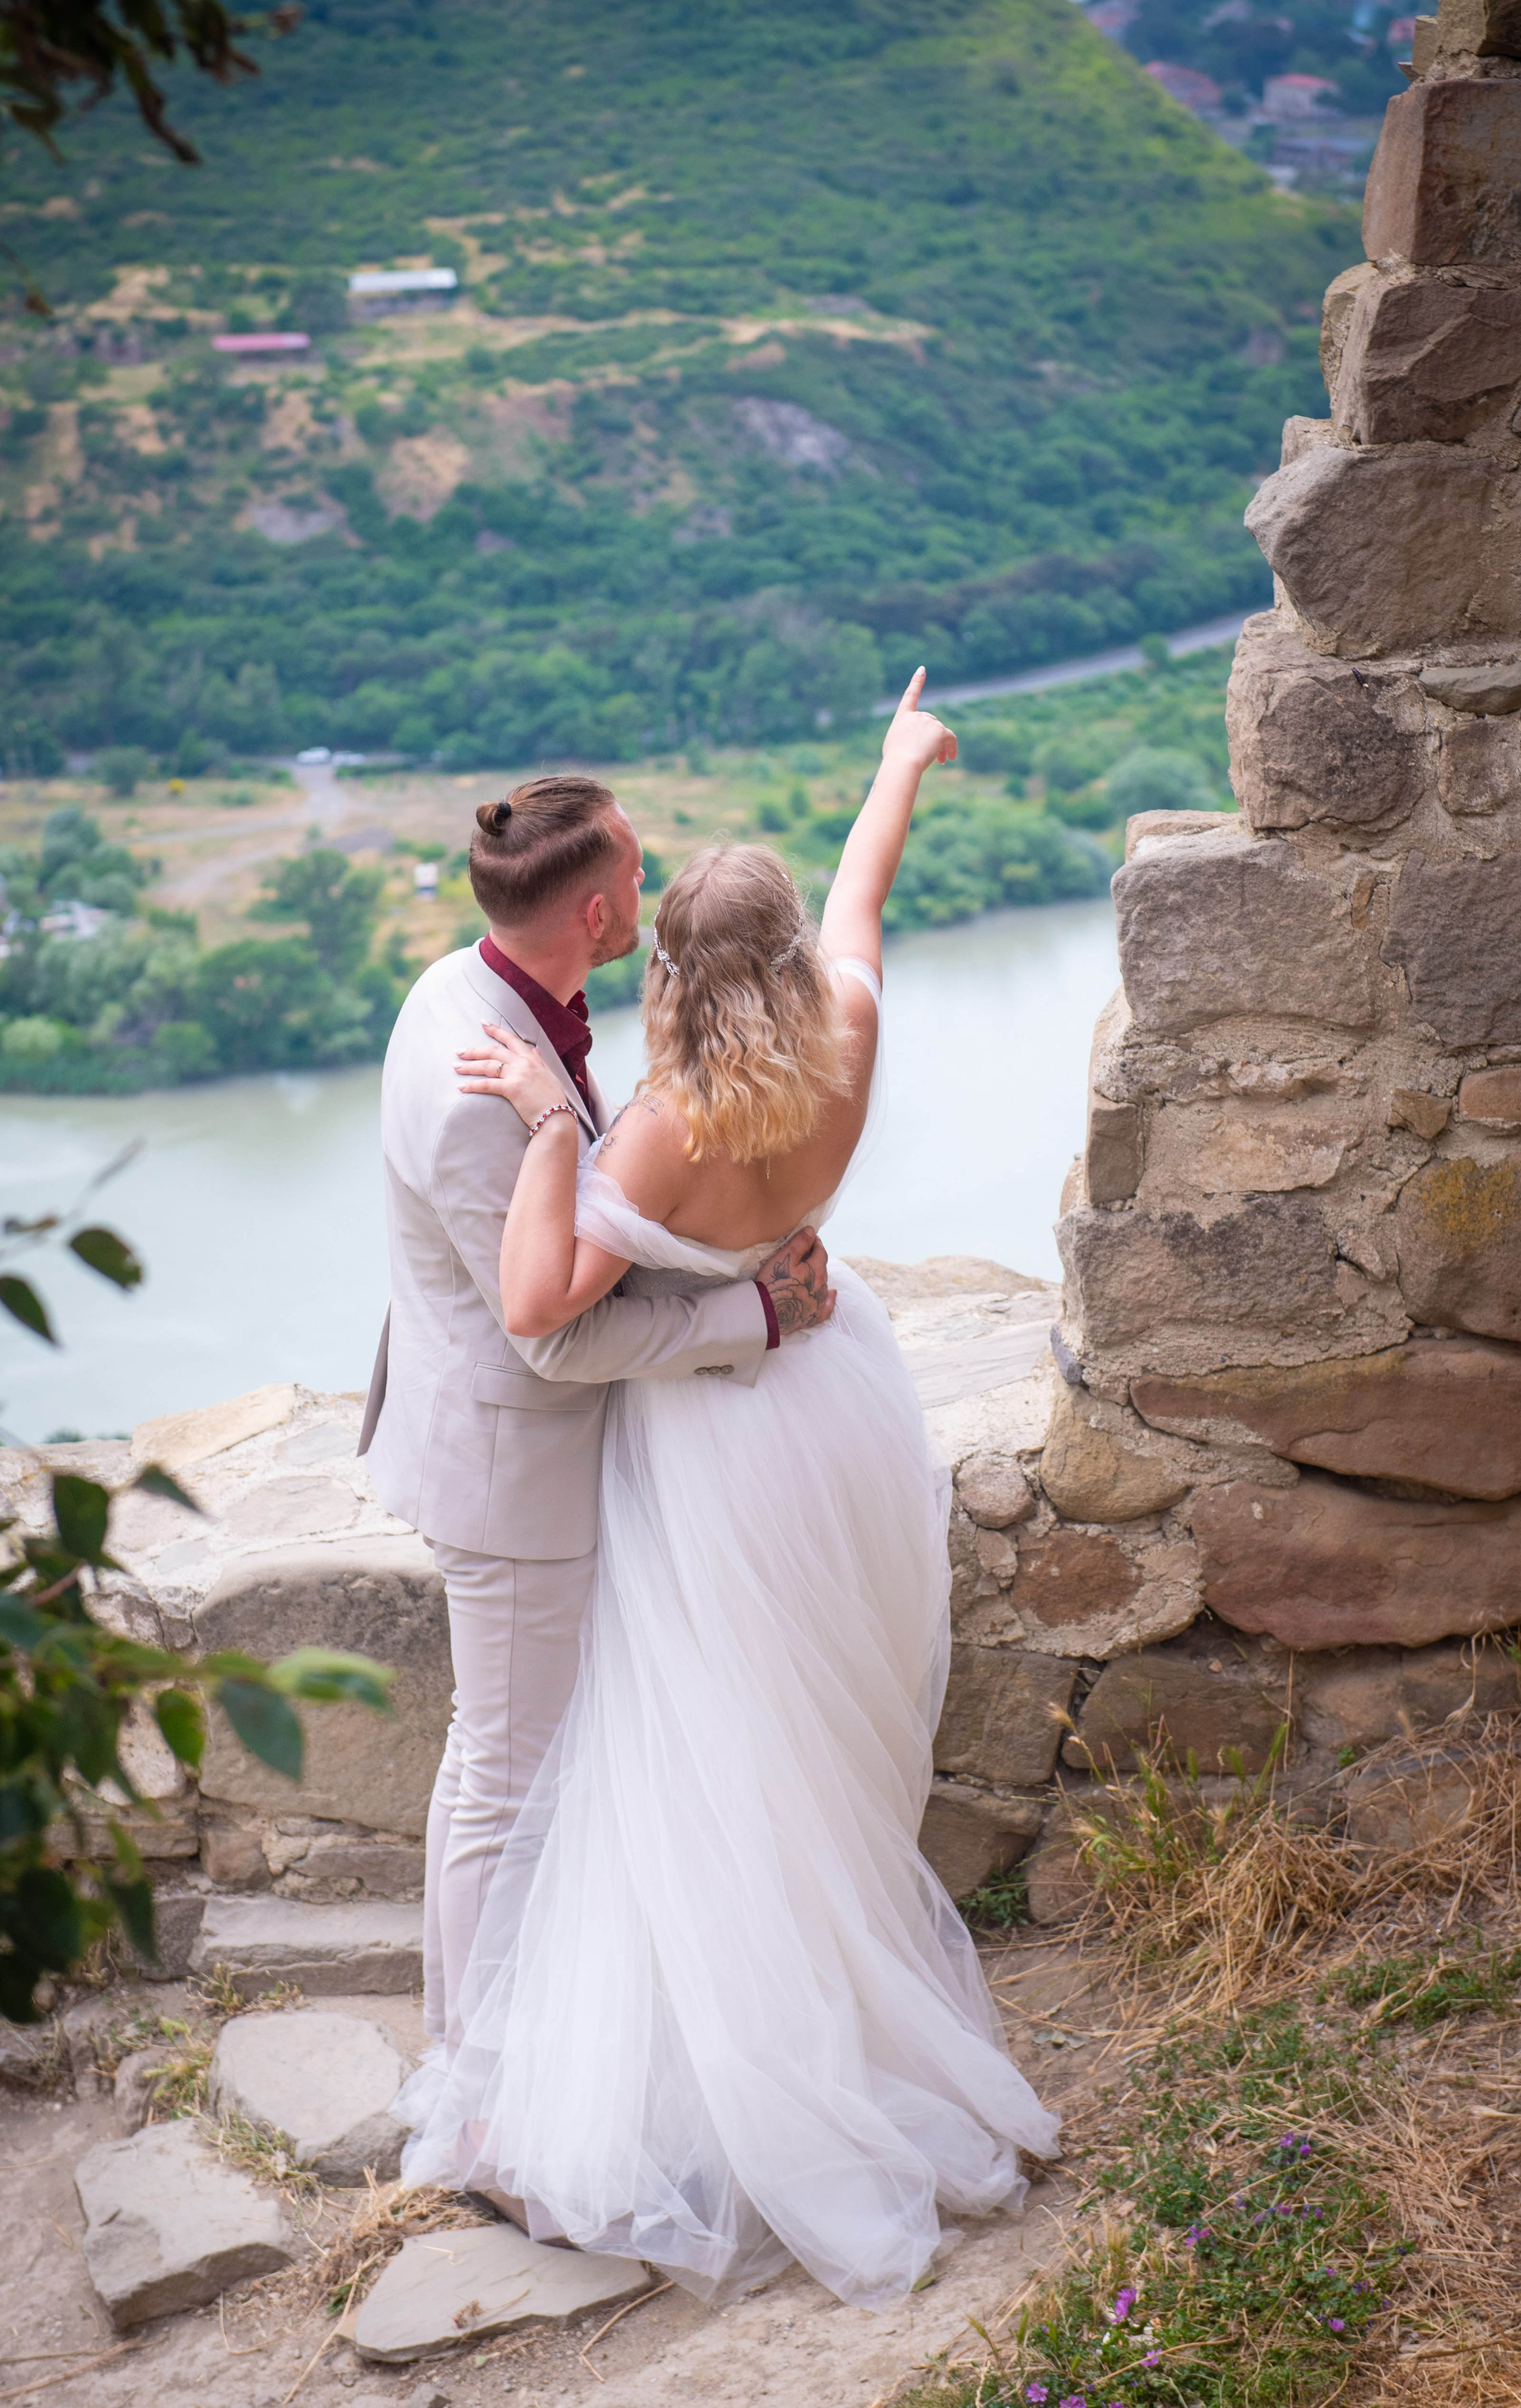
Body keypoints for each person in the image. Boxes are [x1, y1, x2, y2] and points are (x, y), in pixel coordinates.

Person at [391, 670, 1060, 2307]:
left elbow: (541, 1306)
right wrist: (900, 758)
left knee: (708, 1756)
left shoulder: (658, 1129)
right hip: (838, 1414)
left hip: (716, 1452)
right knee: (807, 1747)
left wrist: (551, 1126)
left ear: (669, 971)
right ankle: (823, 2015)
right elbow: (862, 885)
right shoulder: (850, 1029)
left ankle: (728, 2061)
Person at [357, 775, 834, 2053]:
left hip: (505, 1438)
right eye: (632, 870)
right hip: (510, 1469)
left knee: (489, 1760)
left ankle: (477, 2036)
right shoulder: (483, 1097)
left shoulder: (468, 988)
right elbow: (556, 1338)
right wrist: (756, 1318)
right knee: (506, 1783)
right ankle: (477, 2077)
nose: (647, 885)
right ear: (592, 909)